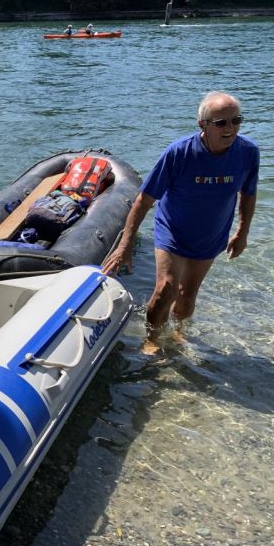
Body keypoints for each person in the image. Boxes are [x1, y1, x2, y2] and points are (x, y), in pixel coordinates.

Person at [102, 91, 259, 354]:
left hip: (210, 235)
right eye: (221, 123)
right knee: (166, 289)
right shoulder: (179, 153)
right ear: (203, 124)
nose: (230, 128)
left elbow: (249, 194)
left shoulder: (248, 152)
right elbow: (144, 200)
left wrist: (242, 233)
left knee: (187, 298)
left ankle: (177, 334)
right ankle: (152, 340)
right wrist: (124, 244)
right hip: (172, 231)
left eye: (236, 120)